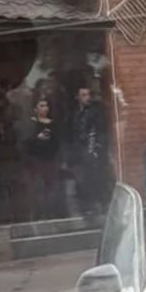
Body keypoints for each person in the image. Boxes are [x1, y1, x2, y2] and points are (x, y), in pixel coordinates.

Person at [16, 98, 62, 220]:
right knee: (36, 189)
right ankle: (37, 215)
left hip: (50, 161)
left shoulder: (53, 124)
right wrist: (37, 139)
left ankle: (50, 213)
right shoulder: (30, 124)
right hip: (35, 162)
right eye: (41, 105)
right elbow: (24, 144)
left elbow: (57, 143)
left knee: (50, 188)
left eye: (46, 105)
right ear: (35, 109)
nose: (45, 108)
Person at [68, 86, 107, 218]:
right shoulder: (74, 113)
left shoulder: (94, 112)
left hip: (90, 150)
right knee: (80, 179)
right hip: (78, 151)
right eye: (83, 95)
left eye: (88, 95)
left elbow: (99, 132)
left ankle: (93, 206)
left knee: (91, 179)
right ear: (77, 97)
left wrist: (96, 149)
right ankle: (84, 207)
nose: (87, 98)